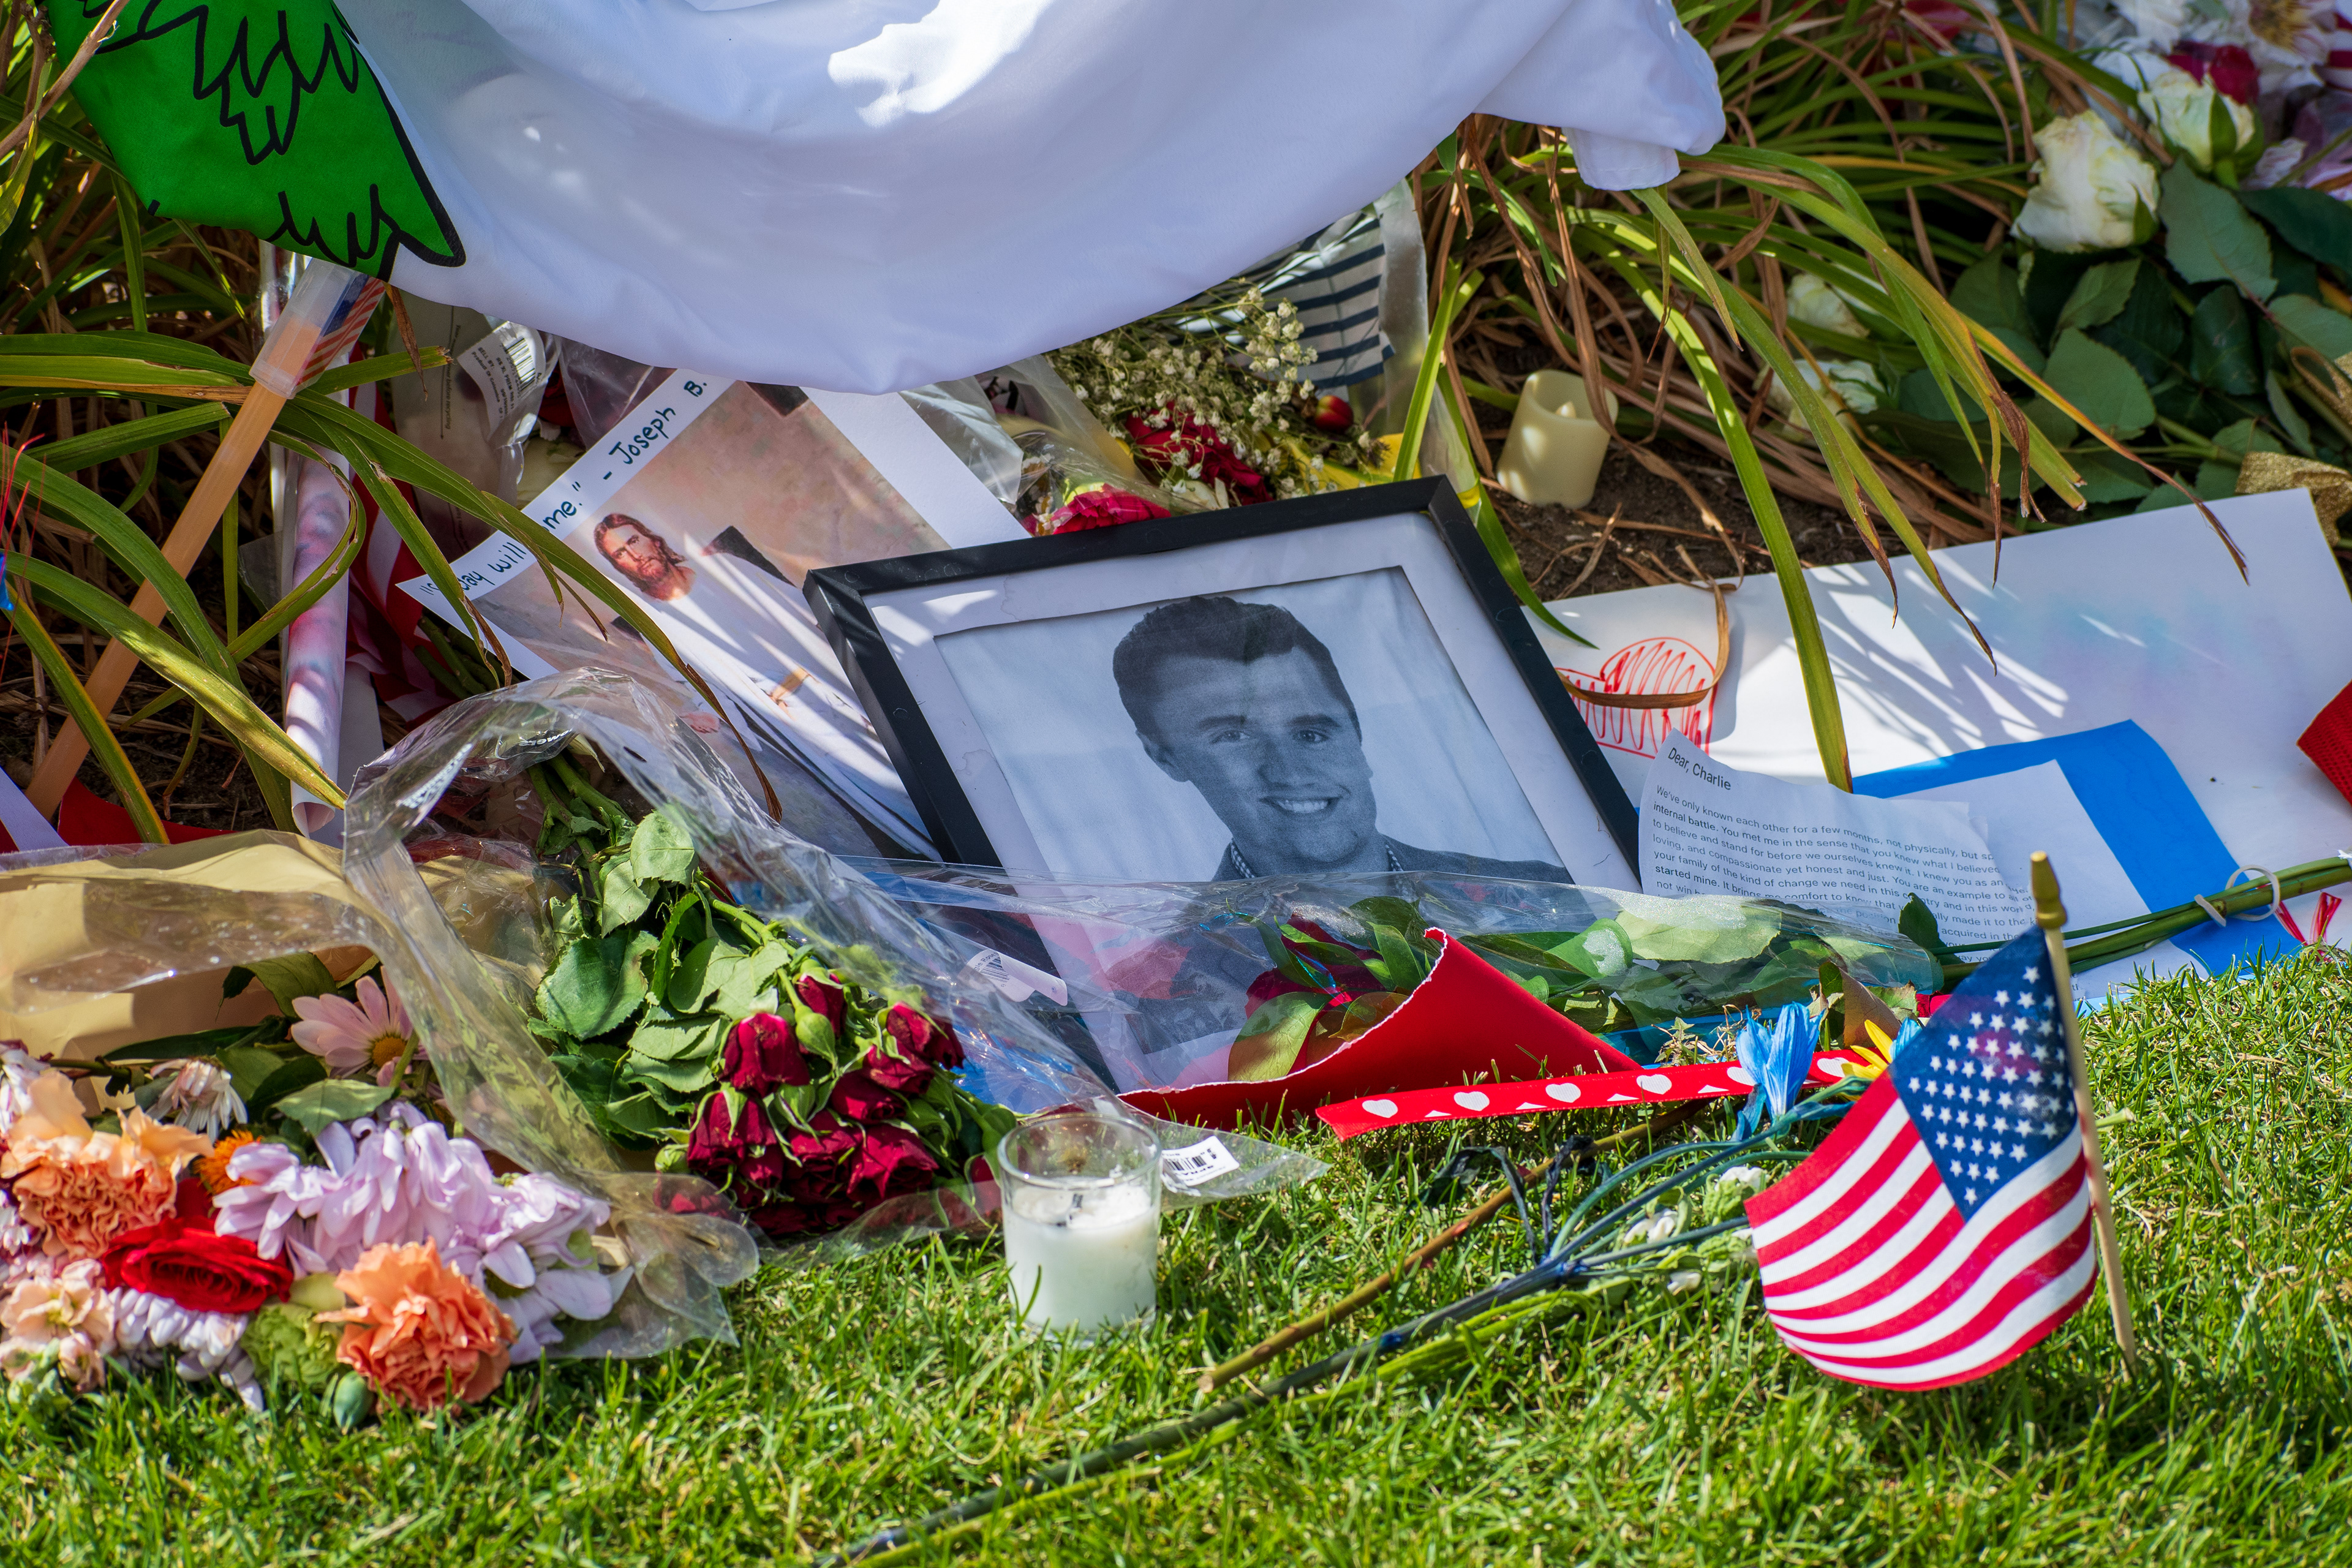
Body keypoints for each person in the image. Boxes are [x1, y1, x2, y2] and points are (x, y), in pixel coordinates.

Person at [1110, 595, 1567, 882]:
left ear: (1356, 733)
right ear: (1165, 757)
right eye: (1233, 736)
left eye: (1311, 733)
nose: (1290, 771)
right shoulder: (1168, 985)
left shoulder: (1550, 894)